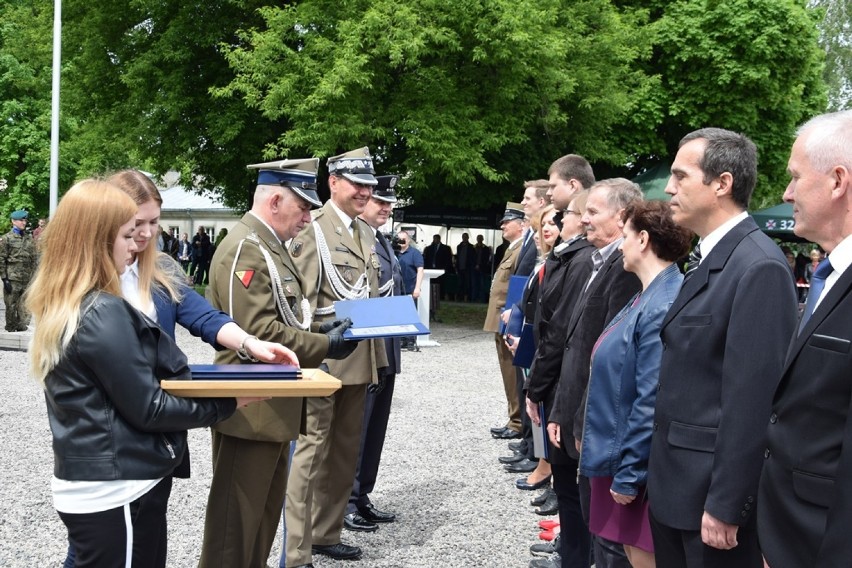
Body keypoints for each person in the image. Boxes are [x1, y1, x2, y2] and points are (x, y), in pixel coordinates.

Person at [27, 179, 258, 568]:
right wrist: (229, 402)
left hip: (106, 473)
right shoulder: (104, 309)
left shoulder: (65, 298)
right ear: (97, 240)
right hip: (119, 480)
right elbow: (150, 407)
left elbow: (199, 313)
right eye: (127, 232)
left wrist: (248, 345)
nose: (138, 241)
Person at [647, 128, 798, 568]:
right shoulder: (712, 259)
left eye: (680, 175)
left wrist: (728, 503)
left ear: (722, 183)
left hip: (707, 504)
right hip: (676, 489)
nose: (669, 188)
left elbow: (752, 399)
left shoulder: (758, 267)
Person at [197, 157, 357, 568]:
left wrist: (322, 329)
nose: (307, 217)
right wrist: (322, 344)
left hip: (271, 404)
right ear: (273, 202)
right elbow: (256, 333)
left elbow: (287, 315)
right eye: (302, 207)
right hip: (250, 406)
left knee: (261, 523)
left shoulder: (269, 246)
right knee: (234, 530)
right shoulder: (247, 248)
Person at [285, 147, 388, 566]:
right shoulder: (313, 229)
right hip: (325, 358)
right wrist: (312, 353)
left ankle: (327, 533)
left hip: (359, 359)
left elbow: (368, 296)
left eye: (369, 186)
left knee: (345, 452)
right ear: (334, 182)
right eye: (357, 183)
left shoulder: (365, 231)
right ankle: (296, 551)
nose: (365, 192)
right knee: (311, 454)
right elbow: (301, 305)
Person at [758, 110, 852, 567]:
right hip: (785, 530)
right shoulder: (829, 273)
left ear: (838, 181)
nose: (786, 193)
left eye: (795, 178)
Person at [578, 201, 692, 568]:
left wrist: (629, 475)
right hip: (624, 453)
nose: (621, 244)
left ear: (643, 239)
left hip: (636, 464)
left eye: (625, 235)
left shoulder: (662, 301)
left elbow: (650, 396)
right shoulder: (648, 294)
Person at [548, 179, 643, 568]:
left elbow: (607, 357)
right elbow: (574, 341)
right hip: (575, 412)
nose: (582, 219)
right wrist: (560, 408)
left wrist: (582, 421)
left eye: (592, 212)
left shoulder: (626, 269)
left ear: (621, 217)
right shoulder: (599, 260)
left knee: (604, 536)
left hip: (595, 423)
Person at [525, 191, 595, 568]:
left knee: (572, 487)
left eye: (565, 213)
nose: (560, 221)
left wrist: (536, 387)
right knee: (568, 486)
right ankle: (571, 551)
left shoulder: (583, 260)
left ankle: (575, 555)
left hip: (568, 386)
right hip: (558, 379)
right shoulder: (578, 257)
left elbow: (563, 332)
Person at [344, 175, 405, 533]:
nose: (386, 207)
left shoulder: (377, 237)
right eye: (379, 200)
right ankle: (346, 499)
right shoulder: (354, 238)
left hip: (387, 346)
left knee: (375, 428)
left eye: (389, 202)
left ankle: (362, 493)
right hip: (365, 349)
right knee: (357, 428)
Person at [485, 202, 526, 440]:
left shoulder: (521, 250)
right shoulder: (512, 248)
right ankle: (514, 417)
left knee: (512, 371)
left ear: (521, 226)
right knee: (507, 371)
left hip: (508, 317)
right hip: (501, 316)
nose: (502, 224)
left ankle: (517, 420)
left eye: (507, 221)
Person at [0, 209, 36, 332]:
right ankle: (10, 327)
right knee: (11, 304)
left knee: (25, 305)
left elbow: (34, 259)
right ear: (13, 221)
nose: (24, 222)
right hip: (12, 277)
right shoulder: (7, 239)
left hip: (27, 278)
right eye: (21, 220)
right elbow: (1, 259)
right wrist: (4, 279)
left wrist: (34, 278)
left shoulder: (29, 239)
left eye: (25, 220)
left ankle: (22, 327)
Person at [397, 229, 424, 349]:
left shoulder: (415, 253)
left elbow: (420, 270)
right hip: (397, 290)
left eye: (404, 239)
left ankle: (411, 340)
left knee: (410, 315)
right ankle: (401, 339)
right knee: (399, 315)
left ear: (408, 240)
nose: (402, 241)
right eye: (400, 239)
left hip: (410, 288)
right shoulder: (394, 252)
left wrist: (417, 288)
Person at [472, 234, 492, 302]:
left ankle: (482, 299)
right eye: (478, 238)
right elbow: (471, 258)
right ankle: (474, 298)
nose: (479, 239)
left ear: (482, 239)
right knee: (474, 284)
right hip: (474, 268)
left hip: (482, 269)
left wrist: (480, 265)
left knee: (482, 284)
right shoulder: (473, 248)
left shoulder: (485, 248)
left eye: (480, 238)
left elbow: (486, 259)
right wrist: (475, 265)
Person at [456, 232, 475, 301]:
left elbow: (473, 258)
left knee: (467, 284)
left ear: (468, 238)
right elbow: (458, 257)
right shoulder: (459, 246)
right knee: (460, 283)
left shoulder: (471, 247)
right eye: (463, 237)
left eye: (465, 237)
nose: (464, 238)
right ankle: (460, 297)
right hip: (460, 267)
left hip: (468, 268)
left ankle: (466, 297)